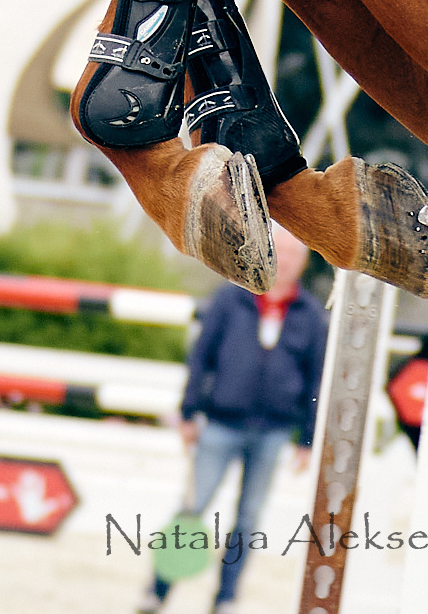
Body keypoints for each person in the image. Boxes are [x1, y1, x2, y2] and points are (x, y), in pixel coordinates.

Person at [139, 228, 326, 613]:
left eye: (295, 255)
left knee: (248, 518)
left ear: (303, 263)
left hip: (273, 430)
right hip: (221, 422)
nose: (287, 261)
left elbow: (316, 379)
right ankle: (158, 590)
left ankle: (225, 597)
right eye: (281, 253)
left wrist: (307, 439)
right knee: (193, 506)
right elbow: (201, 356)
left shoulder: (310, 316)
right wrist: (189, 412)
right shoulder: (229, 299)